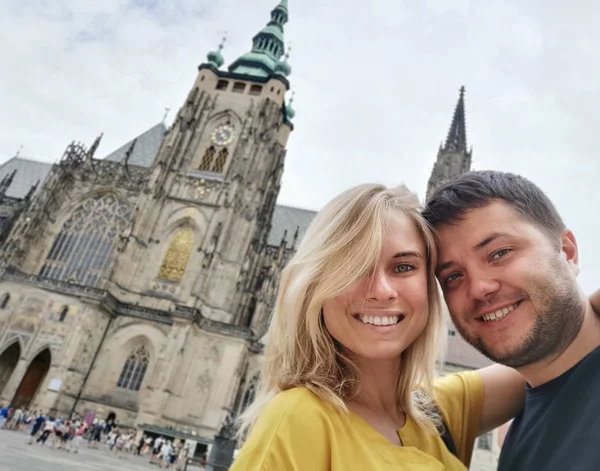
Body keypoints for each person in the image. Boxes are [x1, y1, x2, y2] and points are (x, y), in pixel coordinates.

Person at [231, 184, 525, 471]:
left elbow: (557, 350)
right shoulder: (297, 421)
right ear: (314, 289)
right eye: (355, 268)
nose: (381, 290)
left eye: (403, 267)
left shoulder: (434, 412)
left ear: (429, 285)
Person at [423, 170, 600, 471]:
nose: (479, 287)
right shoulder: (518, 436)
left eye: (500, 253)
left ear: (567, 252)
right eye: (453, 277)